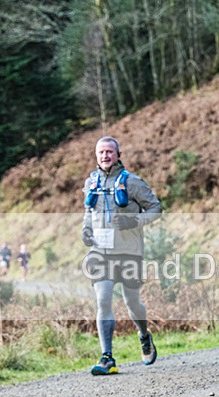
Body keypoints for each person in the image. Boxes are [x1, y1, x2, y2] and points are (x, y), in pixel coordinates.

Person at [81, 136, 162, 376]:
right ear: (96, 156)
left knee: (131, 303)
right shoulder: (91, 182)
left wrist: (132, 220)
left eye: (109, 152)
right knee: (103, 300)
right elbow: (88, 211)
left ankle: (144, 335)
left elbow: (156, 209)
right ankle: (107, 357)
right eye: (101, 152)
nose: (105, 156)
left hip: (129, 252)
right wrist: (85, 231)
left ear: (118, 154)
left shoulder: (133, 182)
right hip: (100, 253)